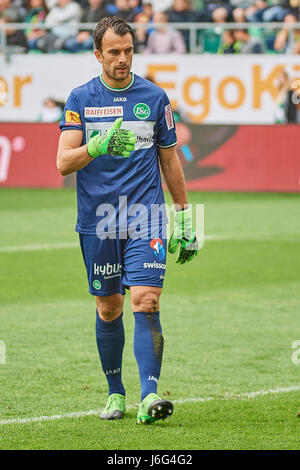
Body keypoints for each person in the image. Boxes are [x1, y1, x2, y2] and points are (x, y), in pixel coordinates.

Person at [57, 16, 198, 424]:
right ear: (98, 54)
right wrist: (96, 146)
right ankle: (115, 393)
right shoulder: (80, 98)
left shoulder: (154, 97)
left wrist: (185, 216)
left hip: (146, 216)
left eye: (128, 51)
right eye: (114, 52)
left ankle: (149, 396)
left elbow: (169, 160)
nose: (122, 59)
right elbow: (63, 162)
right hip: (98, 220)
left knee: (146, 301)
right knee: (108, 307)